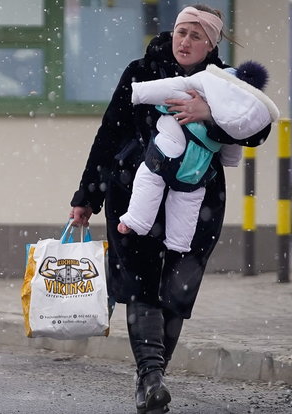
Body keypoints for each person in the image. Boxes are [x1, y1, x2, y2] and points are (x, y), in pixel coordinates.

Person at [69, 5, 271, 414]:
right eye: (182, 32)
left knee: (177, 291)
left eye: (197, 36)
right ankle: (150, 379)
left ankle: (155, 373)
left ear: (211, 44)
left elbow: (258, 128)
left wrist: (210, 116)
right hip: (134, 191)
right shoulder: (140, 70)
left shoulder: (224, 81)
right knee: (141, 286)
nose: (186, 41)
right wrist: (86, 197)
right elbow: (109, 132)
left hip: (198, 200)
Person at [118, 61, 278, 252]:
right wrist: (230, 160)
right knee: (188, 200)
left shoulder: (196, 86)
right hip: (197, 169)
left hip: (166, 153)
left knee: (149, 179)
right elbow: (233, 143)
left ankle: (136, 220)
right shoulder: (233, 118)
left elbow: (169, 88)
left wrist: (139, 92)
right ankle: (179, 242)